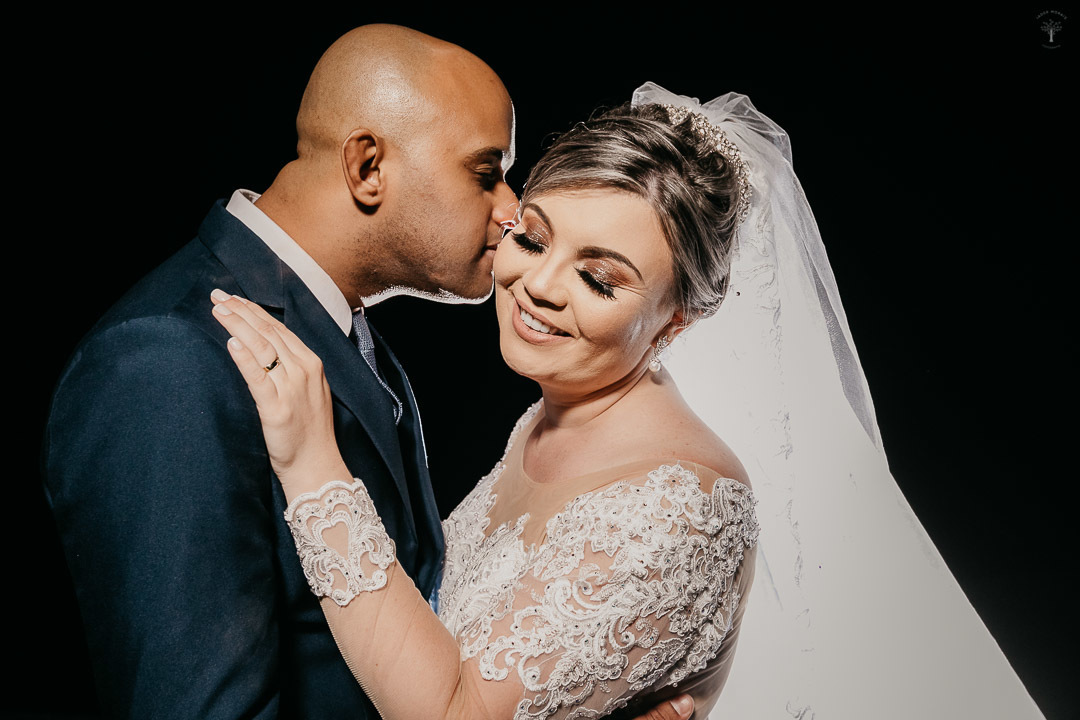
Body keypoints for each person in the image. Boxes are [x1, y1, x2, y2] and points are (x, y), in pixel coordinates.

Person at [211, 82, 1047, 720]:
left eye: (600, 278)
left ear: (676, 321)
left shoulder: (679, 508)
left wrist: (313, 466)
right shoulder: (547, 417)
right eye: (533, 237)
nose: (538, 285)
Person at [43, 24, 691, 720]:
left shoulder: (340, 325)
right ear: (368, 167)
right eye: (485, 173)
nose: (512, 210)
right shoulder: (166, 361)